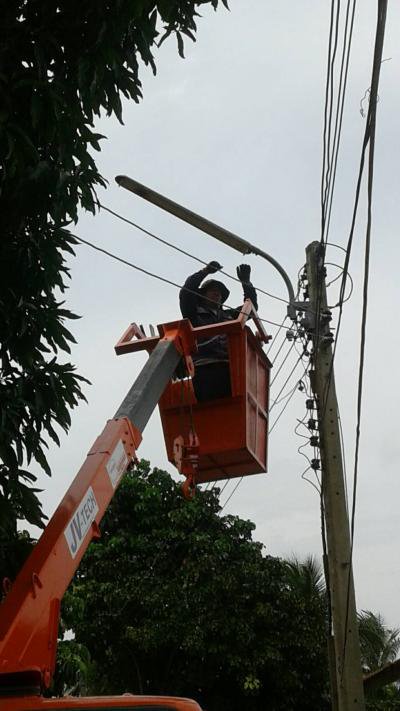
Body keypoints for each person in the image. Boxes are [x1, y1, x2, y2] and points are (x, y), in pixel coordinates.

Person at [179, 261, 258, 402]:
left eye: (220, 293)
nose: (217, 294)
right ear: (202, 295)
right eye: (212, 290)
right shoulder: (193, 315)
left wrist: (246, 283)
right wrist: (205, 271)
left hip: (229, 368)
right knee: (211, 405)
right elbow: (186, 292)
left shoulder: (229, 316)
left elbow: (251, 309)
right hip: (204, 367)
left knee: (233, 405)